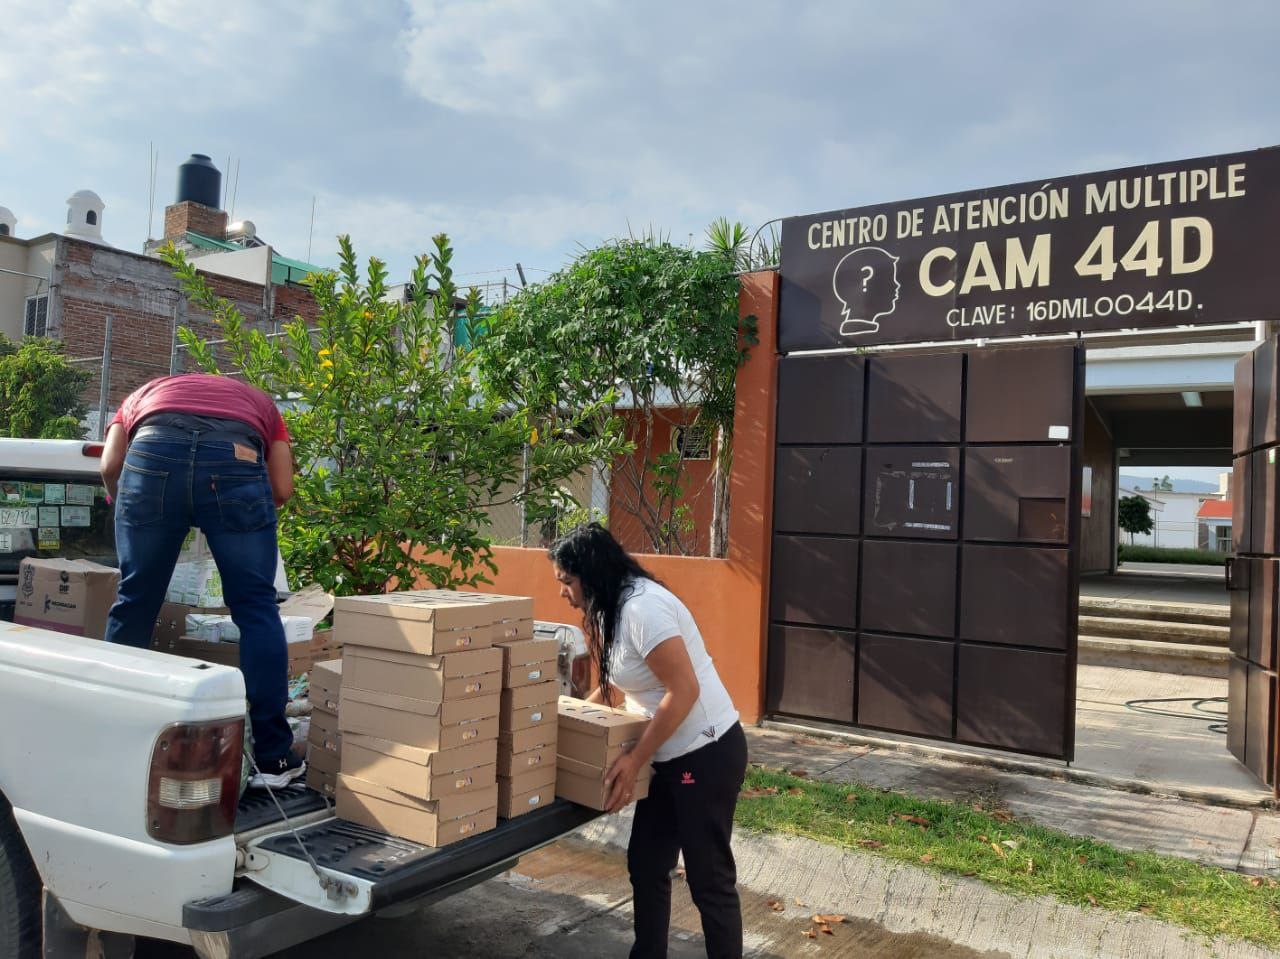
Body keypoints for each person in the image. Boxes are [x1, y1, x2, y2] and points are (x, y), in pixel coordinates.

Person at [550, 523, 747, 959]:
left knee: (708, 879)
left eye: (566, 581)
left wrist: (636, 758)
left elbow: (685, 690)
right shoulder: (608, 608)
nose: (562, 592)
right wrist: (579, 718)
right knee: (646, 864)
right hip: (665, 755)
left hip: (706, 752)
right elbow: (619, 688)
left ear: (591, 572)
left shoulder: (644, 609)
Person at [99, 373, 303, 789]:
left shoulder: (141, 394)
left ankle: (110, 737)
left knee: (135, 600)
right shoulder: (261, 403)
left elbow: (110, 465)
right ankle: (274, 760)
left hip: (151, 455)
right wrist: (242, 514)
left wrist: (124, 502)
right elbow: (281, 487)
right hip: (236, 459)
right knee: (257, 610)